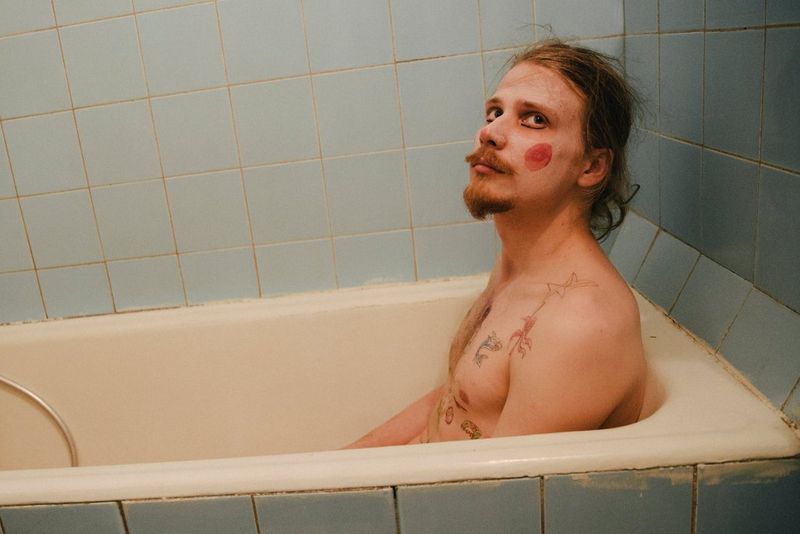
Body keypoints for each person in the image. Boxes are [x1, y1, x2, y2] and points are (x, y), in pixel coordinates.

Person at [345, 40, 651, 448]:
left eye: (534, 120)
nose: (490, 132)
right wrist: (343, 462)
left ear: (591, 166)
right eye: (495, 112)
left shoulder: (578, 323)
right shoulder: (519, 269)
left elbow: (500, 501)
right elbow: (457, 401)